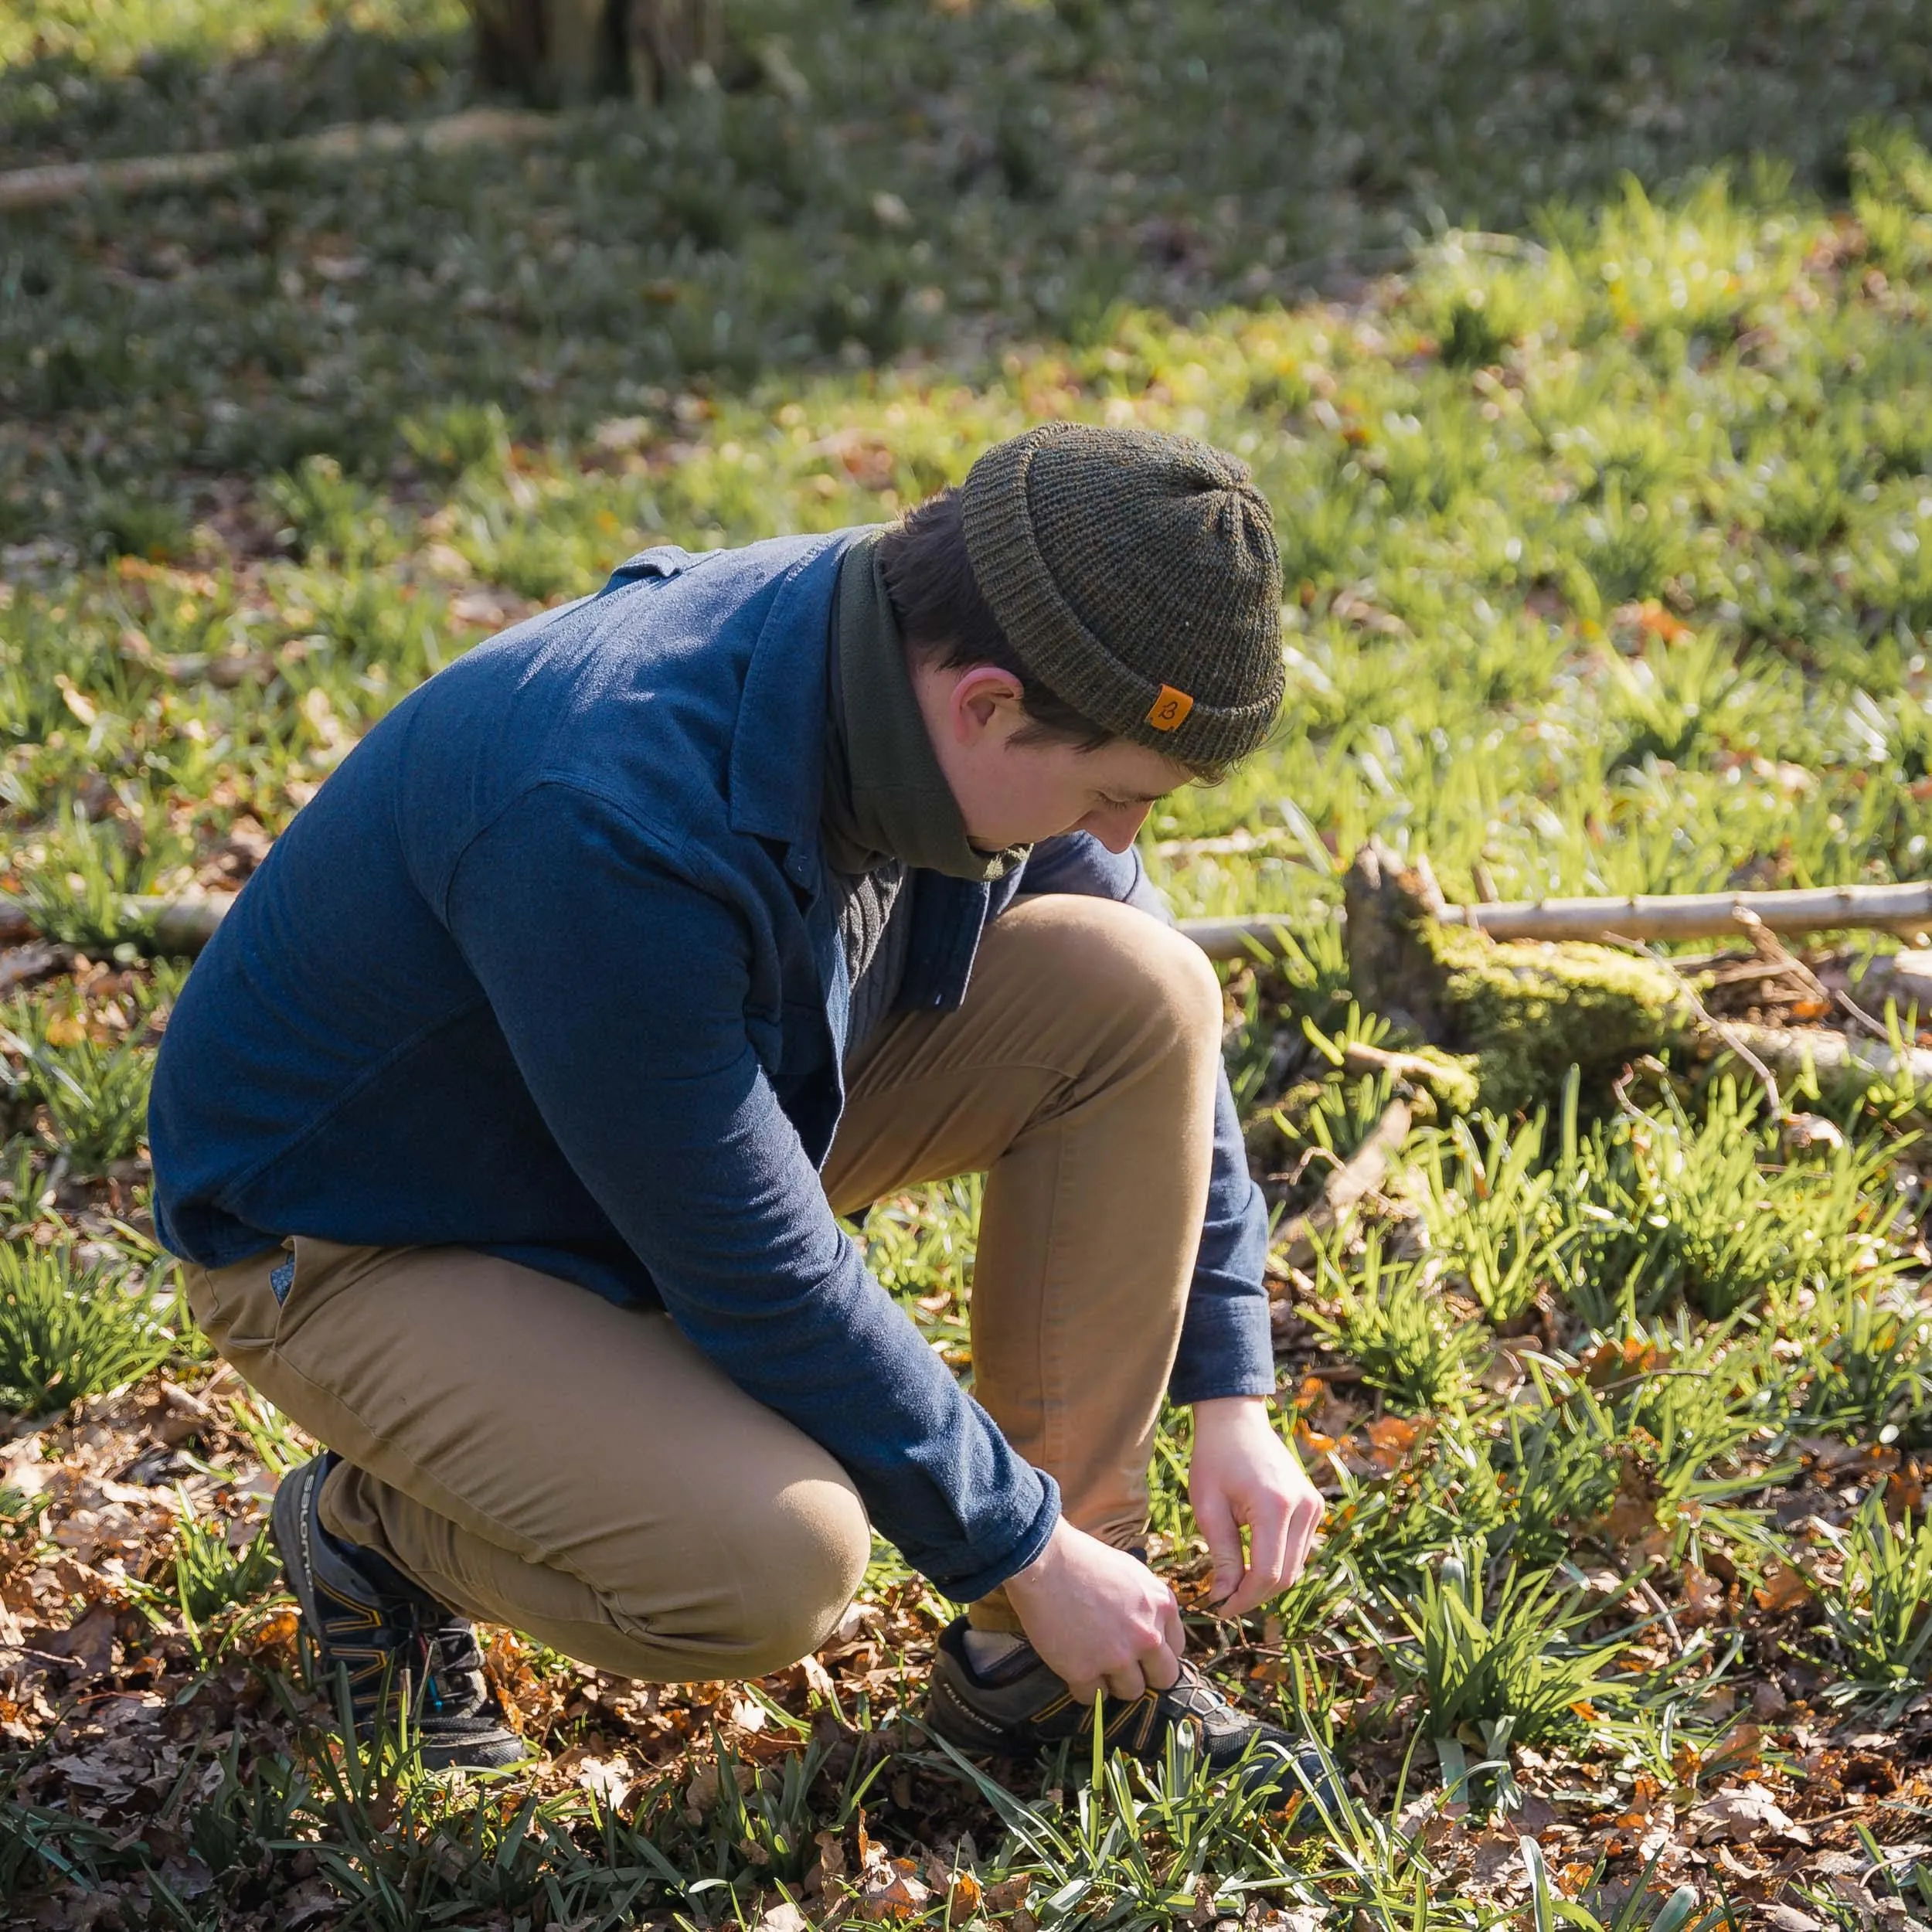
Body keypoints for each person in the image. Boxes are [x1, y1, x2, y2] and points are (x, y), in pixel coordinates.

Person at [148, 422, 1328, 1789]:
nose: (1119, 836)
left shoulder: (933, 646)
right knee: (768, 1564)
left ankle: (1035, 1671)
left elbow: (1146, 997)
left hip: (653, 1126)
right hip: (366, 1235)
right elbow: (754, 1270)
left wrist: (1231, 1385)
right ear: (989, 705)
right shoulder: (611, 810)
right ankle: (370, 1538)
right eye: (1117, 796)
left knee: (1143, 987)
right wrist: (1017, 1535)